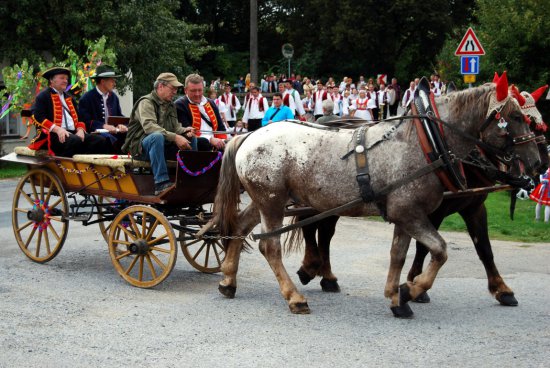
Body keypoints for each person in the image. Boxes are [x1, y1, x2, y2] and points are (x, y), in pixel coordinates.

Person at [122, 72, 195, 195]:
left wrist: (185, 131)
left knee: (191, 139)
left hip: (161, 145)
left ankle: (189, 180)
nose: (175, 92)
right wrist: (175, 137)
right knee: (156, 137)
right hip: (140, 148)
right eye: (173, 88)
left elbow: (175, 127)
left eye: (176, 89)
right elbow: (150, 127)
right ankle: (161, 183)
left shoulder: (170, 105)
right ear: (160, 86)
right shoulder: (146, 102)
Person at [29, 66, 109, 156]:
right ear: (51, 80)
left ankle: (86, 167)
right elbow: (37, 117)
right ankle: (66, 168)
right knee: (75, 140)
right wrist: (57, 129)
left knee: (99, 140)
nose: (65, 81)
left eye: (66, 79)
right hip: (53, 135)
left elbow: (80, 118)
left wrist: (80, 130)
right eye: (62, 78)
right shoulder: (43, 96)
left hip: (73, 134)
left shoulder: (69, 97)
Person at [78, 65, 127, 153]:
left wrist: (121, 124)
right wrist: (103, 126)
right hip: (96, 134)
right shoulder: (87, 98)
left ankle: (126, 163)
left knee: (128, 135)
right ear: (103, 81)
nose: (114, 84)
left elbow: (119, 116)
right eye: (112, 81)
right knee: (106, 138)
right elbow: (85, 121)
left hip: (113, 131)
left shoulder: (114, 97)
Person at [175, 73, 227, 151]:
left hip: (216, 143)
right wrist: (210, 139)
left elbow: (220, 127)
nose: (197, 94)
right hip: (197, 145)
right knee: (204, 142)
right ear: (185, 90)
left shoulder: (211, 103)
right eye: (193, 91)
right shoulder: (180, 105)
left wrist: (222, 141)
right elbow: (187, 132)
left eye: (200, 90)